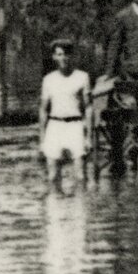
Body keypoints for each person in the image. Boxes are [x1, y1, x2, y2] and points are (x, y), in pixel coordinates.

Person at [39, 38, 92, 189]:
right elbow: (43, 109)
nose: (63, 58)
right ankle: (55, 208)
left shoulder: (82, 77)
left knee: (80, 175)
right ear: (54, 57)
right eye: (59, 54)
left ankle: (80, 208)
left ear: (72, 56)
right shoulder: (48, 79)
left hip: (75, 125)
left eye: (66, 54)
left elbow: (88, 107)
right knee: (53, 176)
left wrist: (88, 136)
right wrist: (42, 139)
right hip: (54, 126)